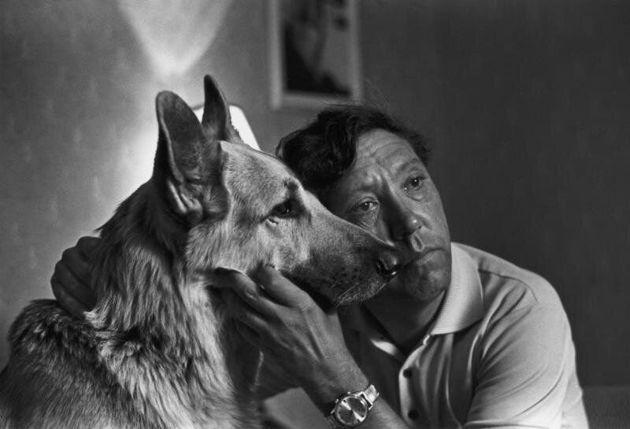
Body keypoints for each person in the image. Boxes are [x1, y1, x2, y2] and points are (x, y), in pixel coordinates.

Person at [51, 106, 588, 428]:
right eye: (365, 206)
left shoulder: (523, 309)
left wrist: (332, 373)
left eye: (415, 182)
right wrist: (109, 283)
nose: (410, 223)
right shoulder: (317, 303)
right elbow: (198, 381)